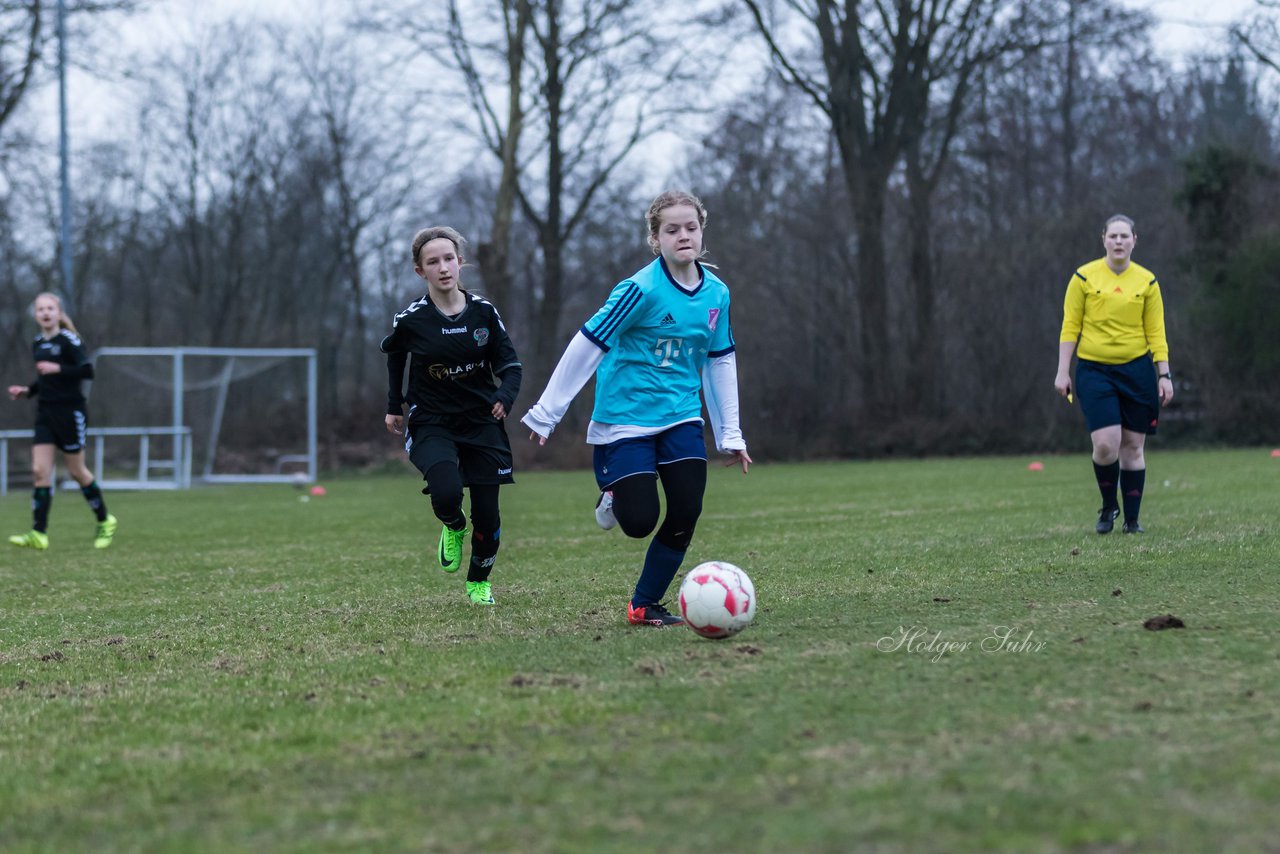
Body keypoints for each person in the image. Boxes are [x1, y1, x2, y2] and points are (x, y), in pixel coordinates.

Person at [522, 190, 751, 627]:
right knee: (639, 521)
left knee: (686, 509)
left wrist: (731, 433)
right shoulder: (638, 290)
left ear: (702, 232)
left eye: (691, 227)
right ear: (655, 238)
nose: (683, 235)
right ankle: (611, 490)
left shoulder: (717, 294)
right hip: (624, 420)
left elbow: (720, 361)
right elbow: (587, 344)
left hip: (682, 415)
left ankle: (644, 605)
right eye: (672, 229)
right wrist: (547, 411)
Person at [381, 226, 523, 605]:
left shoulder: (484, 313)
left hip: (481, 422)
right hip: (433, 422)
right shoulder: (411, 320)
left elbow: (511, 367)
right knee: (446, 493)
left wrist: (505, 397)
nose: (443, 267)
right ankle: (454, 525)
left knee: (489, 518)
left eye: (449, 259)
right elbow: (395, 357)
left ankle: (479, 583)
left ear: (460, 263)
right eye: (433, 262)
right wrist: (394, 405)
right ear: (420, 270)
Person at [1055, 214, 1174, 535]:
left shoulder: (1147, 281)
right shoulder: (1083, 277)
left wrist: (1164, 374)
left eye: (1125, 236)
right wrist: (1062, 371)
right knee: (1107, 445)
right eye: (1113, 236)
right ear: (1103, 240)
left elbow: (1156, 331)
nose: (1119, 242)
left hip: (1137, 371)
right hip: (1094, 370)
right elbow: (1070, 326)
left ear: (1135, 240)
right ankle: (1109, 507)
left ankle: (1132, 522)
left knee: (1133, 447)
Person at [7, 292, 118, 551]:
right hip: (45, 413)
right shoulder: (37, 343)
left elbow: (87, 370)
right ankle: (39, 533)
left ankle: (105, 520)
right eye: (41, 309)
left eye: (50, 308)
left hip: (70, 413)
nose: (45, 313)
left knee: (77, 472)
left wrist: (59, 369)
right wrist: (28, 391)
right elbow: (45, 379)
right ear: (36, 315)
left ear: (59, 313)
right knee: (39, 472)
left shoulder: (69, 340)